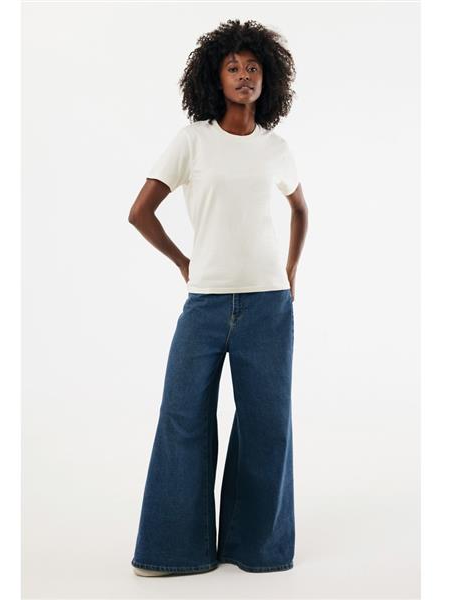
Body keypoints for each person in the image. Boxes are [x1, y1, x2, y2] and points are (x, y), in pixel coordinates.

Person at [128, 18, 308, 576]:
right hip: (205, 304)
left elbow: (301, 211)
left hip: (268, 306)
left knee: (267, 426)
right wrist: (183, 262)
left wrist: (290, 271)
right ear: (216, 77)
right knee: (182, 416)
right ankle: (174, 551)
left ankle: (256, 549)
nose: (244, 75)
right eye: (233, 67)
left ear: (268, 79)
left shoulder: (275, 148)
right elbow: (140, 212)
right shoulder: (193, 141)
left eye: (253, 67)